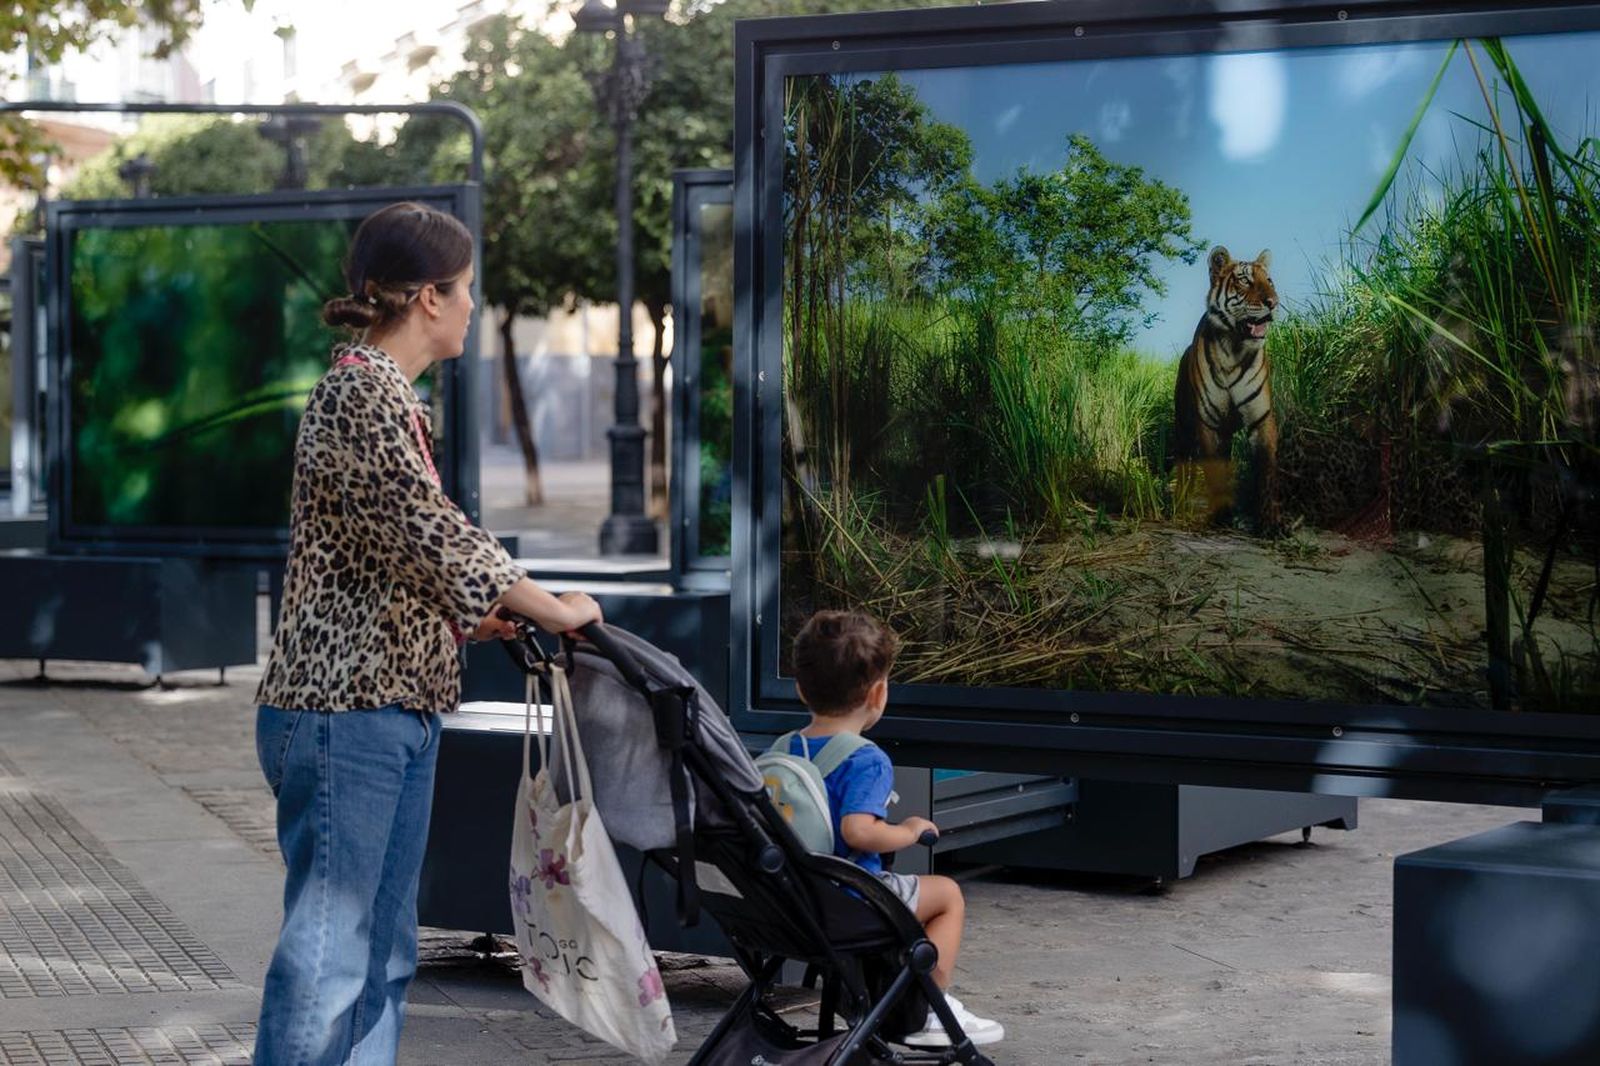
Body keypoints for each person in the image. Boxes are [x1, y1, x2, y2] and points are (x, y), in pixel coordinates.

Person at [252, 201, 602, 1066]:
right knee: (332, 953)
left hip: (393, 708)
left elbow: (385, 555)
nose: (476, 307)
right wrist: (549, 607)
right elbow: (428, 529)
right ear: (430, 298)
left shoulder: (387, 396)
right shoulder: (359, 392)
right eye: (470, 290)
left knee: (384, 952)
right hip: (345, 713)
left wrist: (472, 621)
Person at [789, 610, 1004, 1048]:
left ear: (799, 688)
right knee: (947, 895)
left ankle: (893, 999)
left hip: (796, 899)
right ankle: (928, 1007)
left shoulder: (788, 748)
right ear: (879, 693)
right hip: (850, 898)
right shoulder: (866, 759)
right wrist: (907, 831)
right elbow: (859, 832)